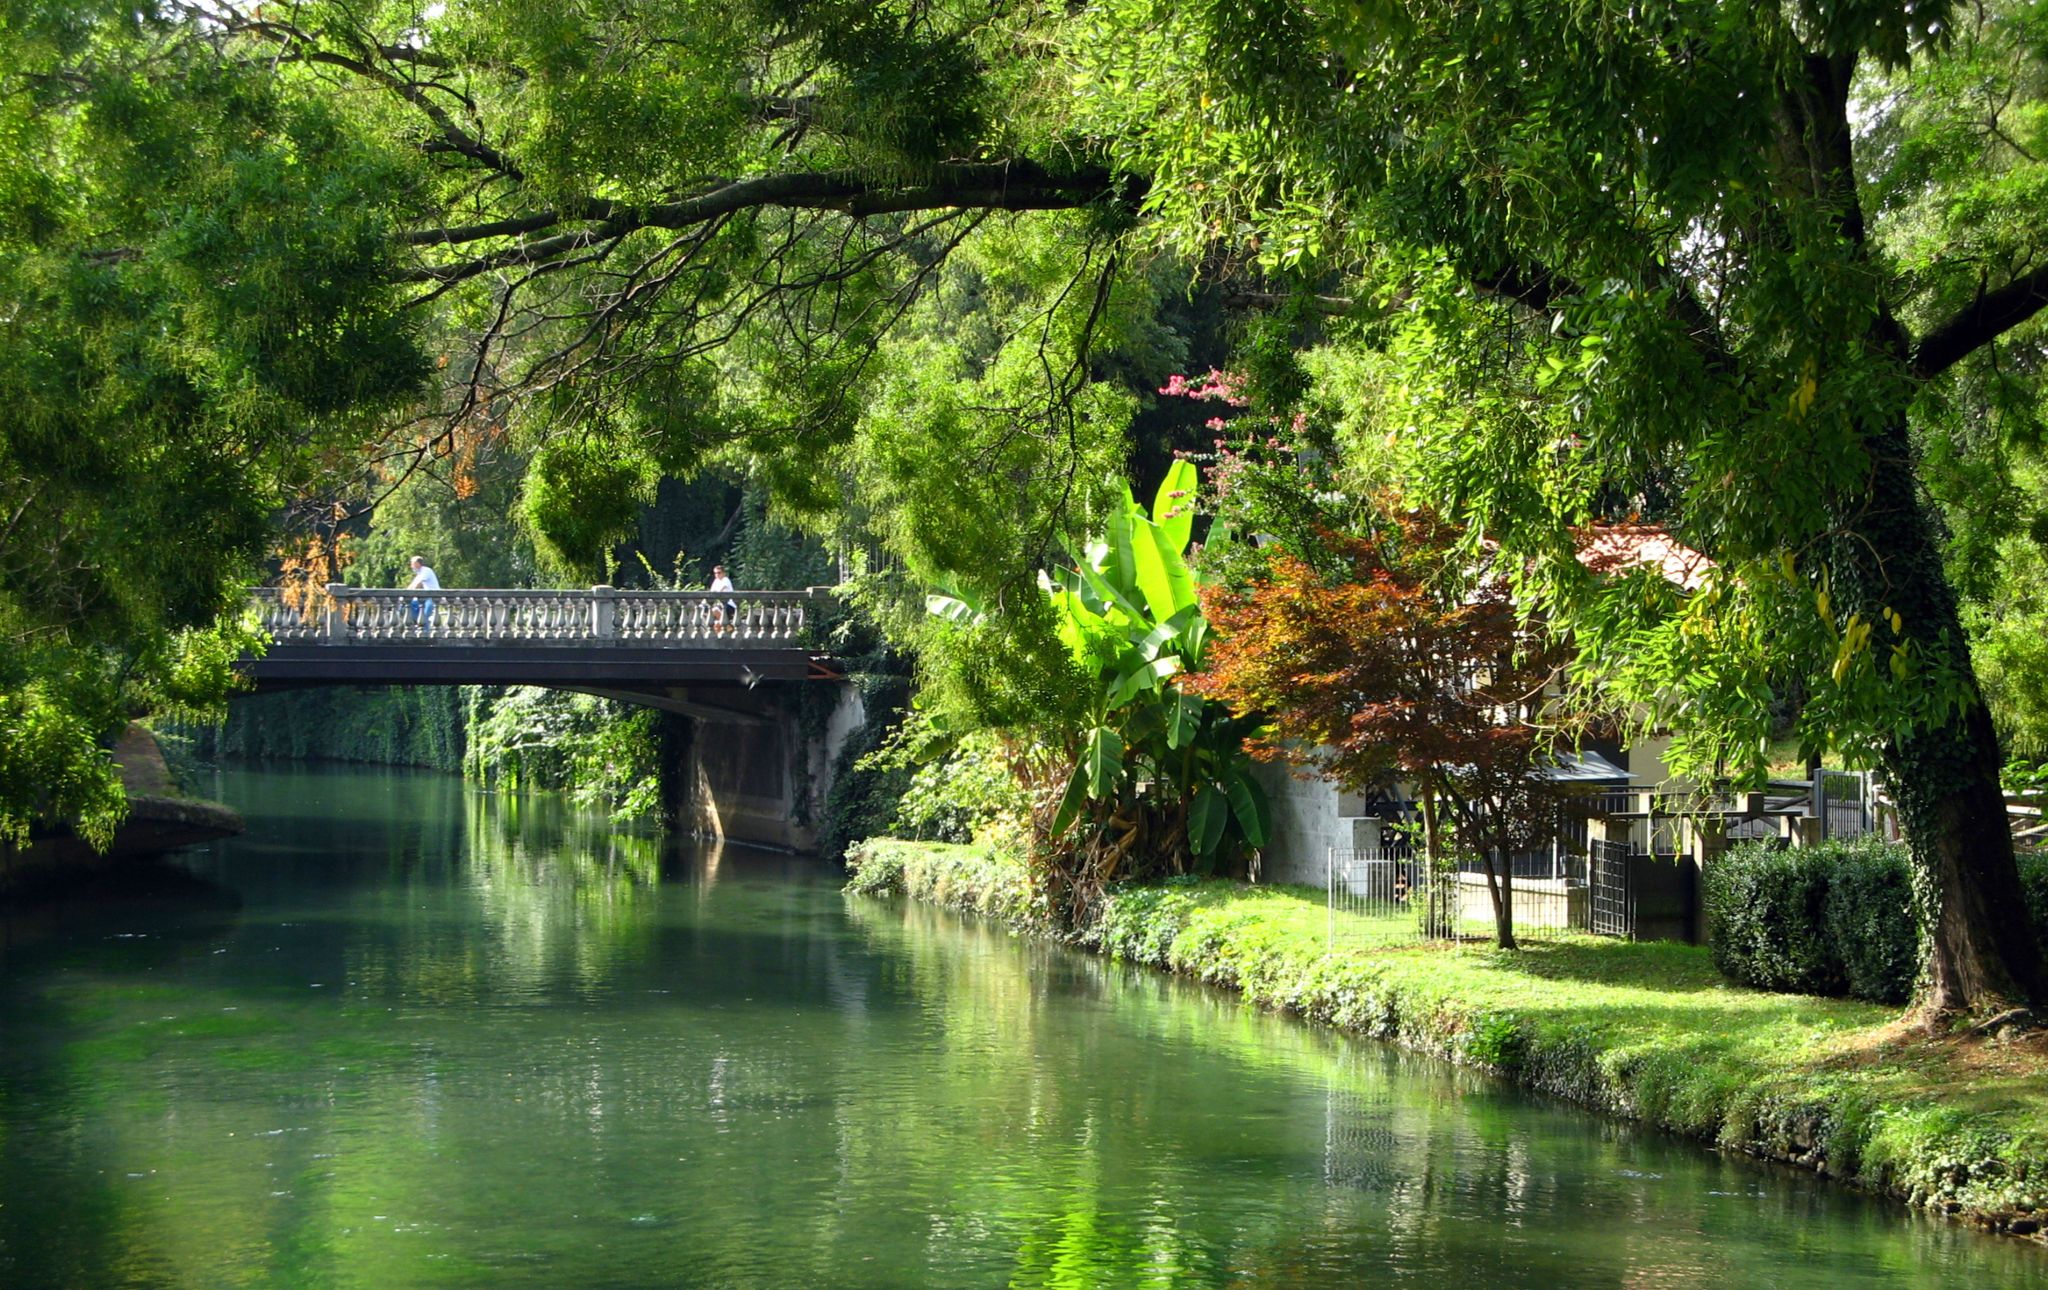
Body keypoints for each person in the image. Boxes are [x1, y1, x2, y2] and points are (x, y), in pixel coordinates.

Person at [406, 555, 440, 628]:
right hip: (426, 597)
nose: (411, 566)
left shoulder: (426, 570)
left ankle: (425, 633)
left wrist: (409, 594)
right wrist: (404, 595)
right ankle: (416, 623)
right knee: (410, 605)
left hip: (432, 597)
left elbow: (418, 585)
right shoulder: (420, 573)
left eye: (412, 563)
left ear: (417, 563)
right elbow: (412, 585)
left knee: (425, 616)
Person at [709, 563, 737, 632]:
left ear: (723, 573)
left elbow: (719, 592)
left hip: (730, 605)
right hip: (721, 605)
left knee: (715, 611)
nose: (717, 575)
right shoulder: (716, 581)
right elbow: (711, 592)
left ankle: (727, 625)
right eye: (715, 573)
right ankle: (727, 627)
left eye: (719, 573)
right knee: (716, 625)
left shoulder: (726, 580)